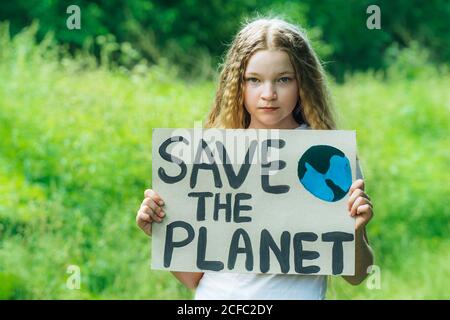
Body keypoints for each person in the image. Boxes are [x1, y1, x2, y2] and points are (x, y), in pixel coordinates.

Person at [136, 17, 374, 300]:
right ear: (238, 83)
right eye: (254, 80)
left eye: (283, 79)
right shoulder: (210, 155)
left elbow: (358, 275)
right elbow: (193, 279)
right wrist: (162, 232)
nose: (269, 94)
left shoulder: (328, 156)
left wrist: (355, 233)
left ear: (303, 82)